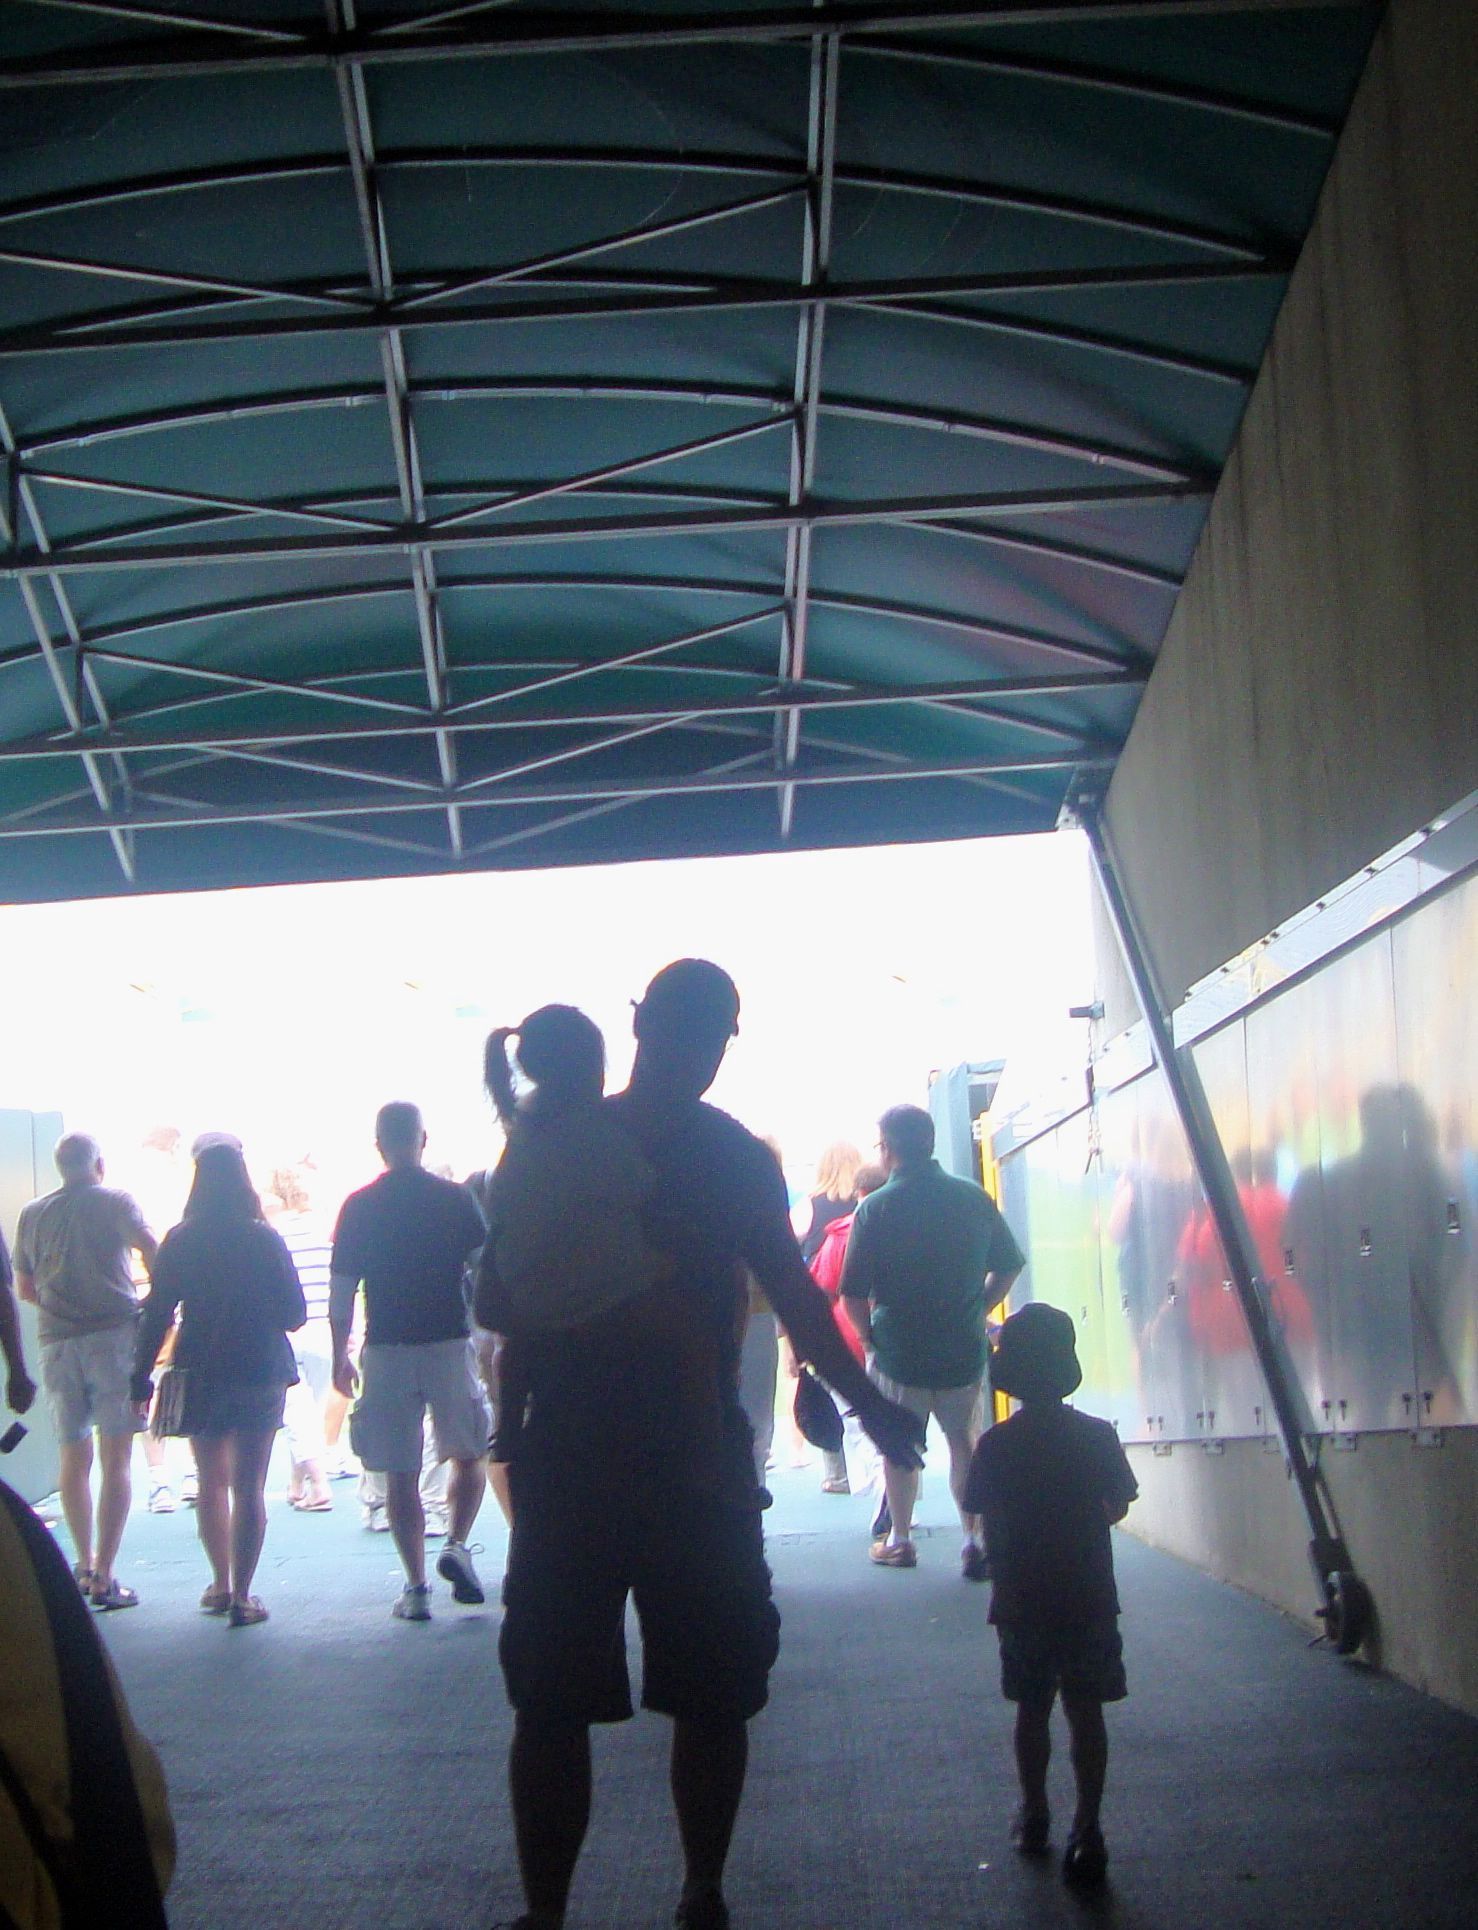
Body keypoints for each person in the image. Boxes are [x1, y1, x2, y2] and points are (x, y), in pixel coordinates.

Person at [491, 959, 925, 1930]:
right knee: (712, 1686)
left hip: (571, 1451)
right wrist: (865, 1402)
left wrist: (511, 1423)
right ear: (720, 1039)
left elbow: (506, 1290)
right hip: (695, 1457)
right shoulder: (734, 1157)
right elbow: (796, 1294)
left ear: (636, 1021)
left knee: (553, 1697)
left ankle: (548, 1910)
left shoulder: (562, 1135)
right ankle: (700, 1890)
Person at [964, 1303, 1138, 1886]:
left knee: (1032, 1710)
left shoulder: (994, 1446)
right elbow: (1117, 1504)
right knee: (1085, 1712)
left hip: (1022, 1599)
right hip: (1087, 1593)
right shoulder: (1096, 1437)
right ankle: (1088, 1828)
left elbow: (982, 1512)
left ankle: (1034, 1810)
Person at [841, 1103, 1024, 1579]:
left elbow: (853, 1292)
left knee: (899, 1447)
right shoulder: (972, 1198)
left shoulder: (874, 1208)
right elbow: (1008, 1264)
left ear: (886, 1149)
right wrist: (978, 1309)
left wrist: (869, 1339)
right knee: (965, 1442)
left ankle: (900, 1540)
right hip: (962, 1348)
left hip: (899, 1349)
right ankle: (974, 1540)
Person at [132, 1142, 306, 1627]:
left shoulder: (179, 1239)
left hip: (200, 1367)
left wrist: (139, 1377)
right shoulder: (264, 1239)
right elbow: (296, 1314)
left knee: (212, 1482)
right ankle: (244, 1595)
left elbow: (157, 1314)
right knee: (249, 1486)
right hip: (259, 1366)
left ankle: (220, 1583)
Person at [329, 1102, 490, 1621]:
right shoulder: (454, 1199)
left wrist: (340, 1354)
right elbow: (486, 1273)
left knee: (399, 1470)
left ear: (379, 1145)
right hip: (447, 1341)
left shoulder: (358, 1206)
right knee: (468, 1453)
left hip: (386, 1347)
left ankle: (416, 1587)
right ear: (424, 1139)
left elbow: (341, 1291)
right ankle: (456, 1544)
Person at [13, 1134, 157, 1610]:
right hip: (113, 1335)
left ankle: (84, 1560)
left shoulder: (32, 1214)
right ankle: (107, 1574)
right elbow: (150, 1246)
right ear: (99, 1163)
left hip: (56, 1342)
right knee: (116, 1458)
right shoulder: (114, 1200)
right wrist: (155, 1298)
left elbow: (25, 1287)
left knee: (73, 1459)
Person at [806, 1161, 887, 1494]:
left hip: (848, 1335)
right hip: (898, 1334)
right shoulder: (908, 1229)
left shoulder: (841, 1235)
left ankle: (880, 1479)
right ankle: (897, 1485)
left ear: (859, 1194)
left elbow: (821, 1288)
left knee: (857, 1418)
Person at [795, 1140, 864, 1262]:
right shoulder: (865, 1200)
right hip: (854, 1267)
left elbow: (794, 1235)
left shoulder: (810, 1202)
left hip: (820, 1271)